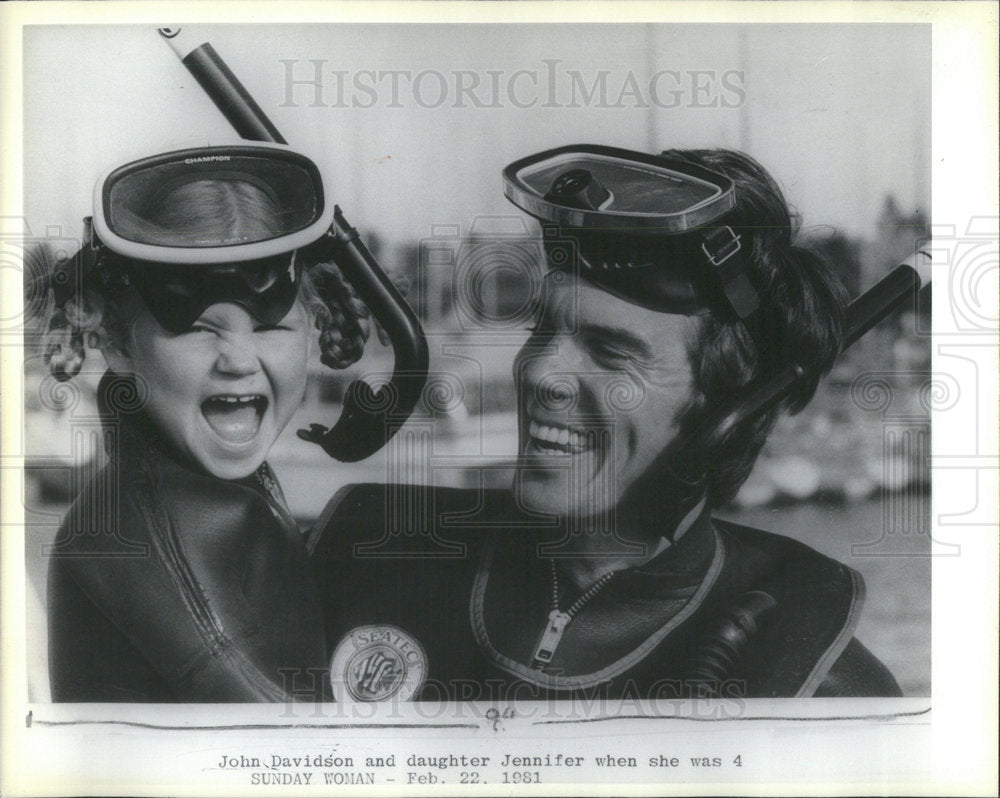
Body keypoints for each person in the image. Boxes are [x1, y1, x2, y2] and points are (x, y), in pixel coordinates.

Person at [310, 145, 902, 702]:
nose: (542, 371)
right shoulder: (361, 556)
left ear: (728, 409)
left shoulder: (817, 685)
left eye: (611, 352)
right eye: (542, 330)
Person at [41, 143, 383, 701]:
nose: (241, 360)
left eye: (272, 328)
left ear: (313, 329)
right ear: (118, 344)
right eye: (200, 329)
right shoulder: (149, 539)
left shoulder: (199, 498)